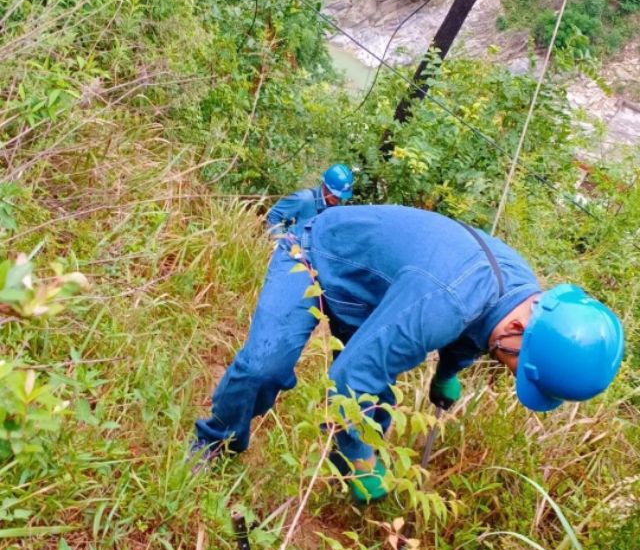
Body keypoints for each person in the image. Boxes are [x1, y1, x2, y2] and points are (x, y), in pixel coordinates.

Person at [193, 205, 624, 502]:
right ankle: (214, 441)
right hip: (316, 253)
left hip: (377, 290)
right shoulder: (445, 302)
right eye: (518, 366)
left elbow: (475, 332)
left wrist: (446, 374)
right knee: (263, 367)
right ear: (518, 329)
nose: (513, 375)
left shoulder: (523, 296)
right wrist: (359, 455)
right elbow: (345, 383)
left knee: (377, 398)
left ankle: (345, 478)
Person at [265, 163, 354, 238]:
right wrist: (282, 240)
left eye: (340, 197)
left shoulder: (336, 206)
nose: (338, 199)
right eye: (335, 195)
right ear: (325, 186)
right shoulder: (304, 199)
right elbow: (273, 215)